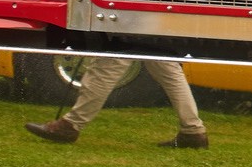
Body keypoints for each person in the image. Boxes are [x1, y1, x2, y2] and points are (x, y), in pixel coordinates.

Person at [24, 58, 208, 148]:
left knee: (108, 64)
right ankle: (193, 132)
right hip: (158, 12)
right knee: (167, 68)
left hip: (132, 11)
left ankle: (71, 125)